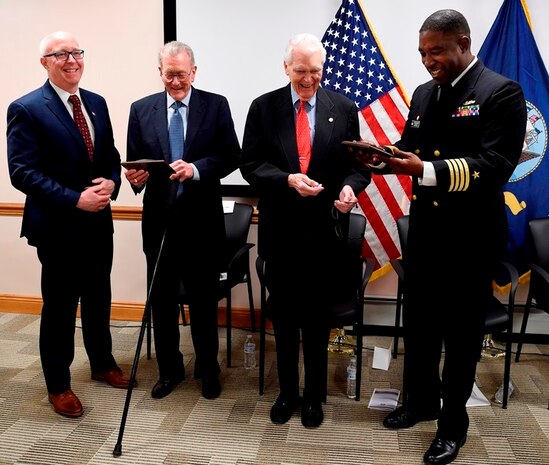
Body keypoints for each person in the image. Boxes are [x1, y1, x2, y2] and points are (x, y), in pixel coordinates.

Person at [349, 10, 526, 465]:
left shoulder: (500, 92)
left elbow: (494, 167)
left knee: (462, 337)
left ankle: (452, 427)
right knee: (421, 327)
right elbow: (414, 146)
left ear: (463, 42)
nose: (429, 61)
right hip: (426, 235)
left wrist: (422, 170)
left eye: (438, 51)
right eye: (423, 53)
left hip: (470, 239)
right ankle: (421, 402)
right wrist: (385, 159)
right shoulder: (425, 94)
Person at [240, 33, 371, 428]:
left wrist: (351, 186)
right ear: (286, 68)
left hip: (325, 234)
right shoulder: (263, 108)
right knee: (283, 316)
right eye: (301, 71)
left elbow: (359, 166)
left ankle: (313, 396)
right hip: (281, 231)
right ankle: (287, 394)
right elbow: (250, 165)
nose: (309, 79)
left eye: (316, 71)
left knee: (316, 319)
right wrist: (287, 179)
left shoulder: (343, 107)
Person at [6, 31, 131, 418]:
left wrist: (112, 180)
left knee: (99, 298)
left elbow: (110, 155)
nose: (71, 59)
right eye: (60, 54)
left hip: (98, 224)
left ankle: (101, 363)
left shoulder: (96, 103)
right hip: (59, 227)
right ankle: (58, 385)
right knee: (60, 307)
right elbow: (22, 172)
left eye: (76, 52)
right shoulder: (26, 108)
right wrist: (75, 198)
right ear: (44, 63)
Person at [125, 41, 239, 400]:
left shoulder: (215, 105)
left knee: (204, 302)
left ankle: (208, 369)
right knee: (161, 302)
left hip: (202, 223)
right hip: (159, 223)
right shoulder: (140, 109)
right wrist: (135, 179)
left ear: (194, 71)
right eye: (169, 74)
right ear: (159, 72)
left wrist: (197, 169)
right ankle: (169, 369)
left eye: (182, 74)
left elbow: (231, 155)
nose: (176, 81)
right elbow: (136, 163)